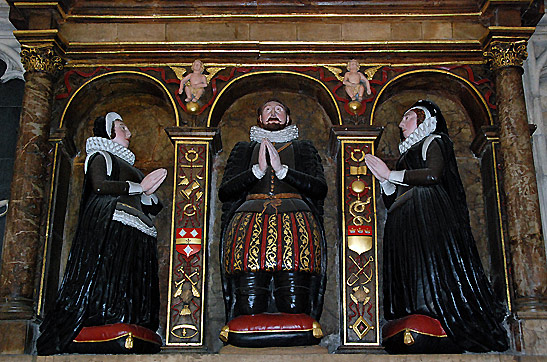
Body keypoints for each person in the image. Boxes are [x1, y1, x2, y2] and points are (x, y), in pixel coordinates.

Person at [365, 100, 509, 353]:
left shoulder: (435, 141)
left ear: (424, 118)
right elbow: (393, 199)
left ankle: (434, 312)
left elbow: (433, 174)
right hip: (405, 218)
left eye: (407, 117)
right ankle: (412, 311)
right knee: (409, 268)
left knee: (427, 266)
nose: (400, 124)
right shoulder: (405, 156)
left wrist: (391, 175)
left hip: (428, 214)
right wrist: (384, 181)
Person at [37, 112, 167, 355]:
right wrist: (140, 187)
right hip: (112, 223)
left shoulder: (132, 167)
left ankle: (133, 316)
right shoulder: (101, 156)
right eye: (122, 127)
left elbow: (152, 205)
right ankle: (105, 315)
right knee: (110, 272)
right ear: (107, 131)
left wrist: (148, 191)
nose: (128, 132)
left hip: (138, 229)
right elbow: (98, 185)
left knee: (133, 277)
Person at [218, 99, 328, 345]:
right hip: (248, 223)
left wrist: (283, 171)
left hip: (296, 221)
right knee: (249, 301)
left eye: (279, 109)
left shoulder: (304, 148)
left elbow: (319, 188)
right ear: (259, 118)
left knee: (294, 300)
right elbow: (226, 192)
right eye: (267, 109)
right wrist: (256, 171)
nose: (273, 113)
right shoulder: (243, 149)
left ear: (288, 118)